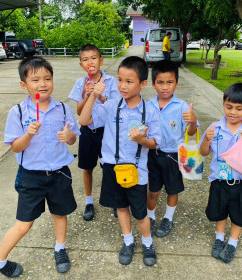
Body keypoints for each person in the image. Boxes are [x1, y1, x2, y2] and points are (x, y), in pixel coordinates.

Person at [0, 57, 80, 278]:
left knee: (60, 213)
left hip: (59, 174)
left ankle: (60, 248)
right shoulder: (18, 112)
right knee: (24, 224)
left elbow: (72, 140)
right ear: (24, 85)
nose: (43, 84)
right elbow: (15, 148)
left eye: (47, 78)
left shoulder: (63, 109)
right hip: (31, 176)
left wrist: (69, 136)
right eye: (35, 79)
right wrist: (28, 134)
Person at [79, 56, 162, 266]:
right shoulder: (112, 105)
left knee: (140, 213)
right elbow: (83, 120)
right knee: (121, 208)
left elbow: (155, 143)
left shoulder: (150, 111)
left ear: (143, 84)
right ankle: (128, 240)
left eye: (129, 81)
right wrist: (92, 95)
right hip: (112, 168)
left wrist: (142, 140)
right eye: (120, 80)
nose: (123, 86)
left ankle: (147, 242)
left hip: (137, 171)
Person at [199, 83, 242, 264]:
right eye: (229, 107)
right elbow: (204, 152)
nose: (233, 112)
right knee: (219, 212)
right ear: (223, 103)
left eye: (239, 108)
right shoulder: (215, 128)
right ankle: (219, 237)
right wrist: (207, 139)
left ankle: (232, 242)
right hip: (219, 181)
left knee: (238, 214)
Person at [147, 60, 198, 237]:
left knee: (173, 189)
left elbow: (191, 132)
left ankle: (168, 218)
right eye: (160, 82)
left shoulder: (182, 106)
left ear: (176, 83)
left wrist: (192, 120)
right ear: (153, 84)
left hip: (174, 155)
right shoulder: (148, 105)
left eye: (170, 82)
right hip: (152, 154)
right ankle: (150, 216)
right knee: (153, 190)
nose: (165, 87)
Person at [69, 44, 119, 221]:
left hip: (107, 132)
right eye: (85, 59)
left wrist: (99, 95)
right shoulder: (80, 83)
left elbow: (114, 109)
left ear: (101, 60)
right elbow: (79, 112)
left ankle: (113, 199)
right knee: (87, 167)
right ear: (81, 64)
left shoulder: (112, 82)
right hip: (88, 131)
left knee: (109, 166)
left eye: (93, 58)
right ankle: (89, 201)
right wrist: (86, 95)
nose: (90, 62)